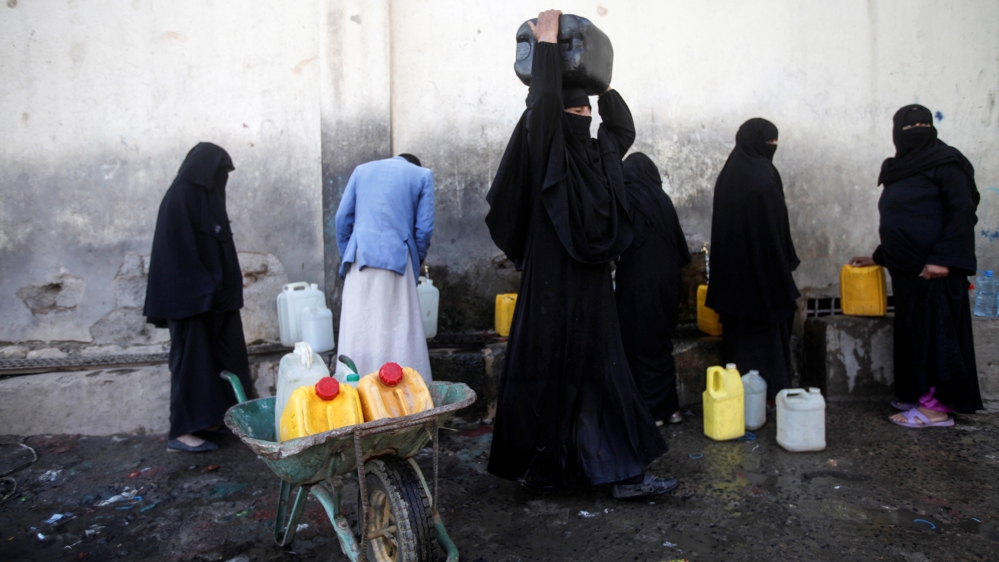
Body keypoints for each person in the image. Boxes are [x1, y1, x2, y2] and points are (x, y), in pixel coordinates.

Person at [485, 10, 675, 500]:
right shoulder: (549, 149)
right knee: (547, 372)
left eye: (586, 114)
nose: (583, 119)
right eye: (576, 113)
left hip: (588, 289)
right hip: (551, 285)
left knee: (600, 374)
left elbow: (622, 130)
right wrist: (547, 46)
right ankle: (547, 469)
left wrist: (602, 85)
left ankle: (620, 471)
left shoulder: (596, 156)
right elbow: (544, 105)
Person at [850, 104, 982, 428]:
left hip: (935, 271)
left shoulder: (947, 162)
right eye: (910, 127)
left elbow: (962, 210)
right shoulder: (899, 167)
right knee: (915, 336)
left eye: (924, 124)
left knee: (938, 337)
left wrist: (944, 259)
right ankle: (919, 395)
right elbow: (902, 218)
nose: (918, 131)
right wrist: (881, 255)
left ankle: (936, 409)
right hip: (909, 272)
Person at [144, 142, 251, 453]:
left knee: (222, 359)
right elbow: (176, 254)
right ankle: (182, 432)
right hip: (189, 302)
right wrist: (207, 288)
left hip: (214, 302)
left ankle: (212, 419)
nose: (222, 179)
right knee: (192, 364)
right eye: (219, 172)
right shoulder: (181, 197)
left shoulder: (207, 199)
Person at [706, 118, 800, 402]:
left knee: (741, 339)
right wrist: (783, 264)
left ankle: (742, 395)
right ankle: (771, 393)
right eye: (768, 142)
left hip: (735, 279)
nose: (772, 147)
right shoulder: (763, 175)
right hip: (764, 274)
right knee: (768, 334)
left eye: (775, 142)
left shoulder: (730, 172)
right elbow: (774, 228)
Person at [335, 153, 434, 381]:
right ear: (413, 164)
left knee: (359, 325)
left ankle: (354, 389)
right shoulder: (422, 175)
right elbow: (425, 228)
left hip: (359, 257)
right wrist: (414, 262)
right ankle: (403, 391)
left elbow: (342, 218)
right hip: (399, 257)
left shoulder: (362, 170)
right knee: (399, 326)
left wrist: (349, 254)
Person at [615, 153, 691, 426]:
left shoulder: (626, 198)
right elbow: (681, 250)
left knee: (636, 343)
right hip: (668, 283)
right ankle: (670, 409)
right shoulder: (662, 200)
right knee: (660, 343)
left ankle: (650, 412)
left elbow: (616, 240)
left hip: (637, 283)